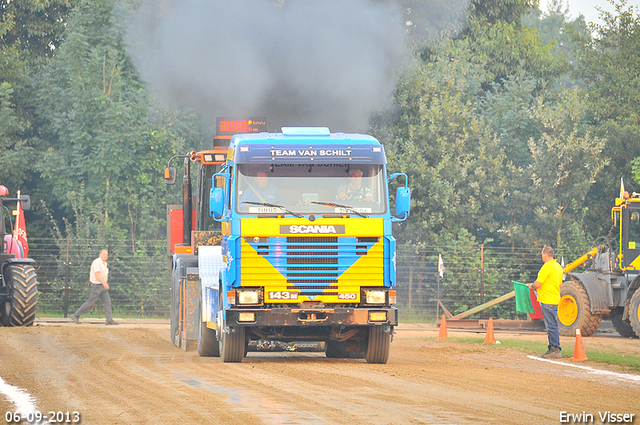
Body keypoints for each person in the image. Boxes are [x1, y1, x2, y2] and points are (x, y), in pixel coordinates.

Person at [528, 246, 563, 358]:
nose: (541, 256)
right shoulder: (558, 267)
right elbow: (560, 285)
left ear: (545, 254)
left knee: (551, 325)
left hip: (547, 299)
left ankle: (554, 348)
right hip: (555, 298)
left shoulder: (547, 267)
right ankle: (555, 347)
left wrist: (531, 286)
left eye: (542, 254)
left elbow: (538, 284)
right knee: (553, 324)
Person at [71, 249, 118, 325]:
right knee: (90, 302)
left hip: (102, 285)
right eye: (104, 254)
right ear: (100, 255)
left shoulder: (104, 263)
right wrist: (104, 283)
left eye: (106, 254)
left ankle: (109, 320)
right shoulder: (97, 262)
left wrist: (104, 284)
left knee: (107, 302)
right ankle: (75, 315)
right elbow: (97, 274)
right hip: (97, 286)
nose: (105, 256)